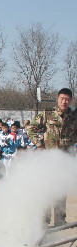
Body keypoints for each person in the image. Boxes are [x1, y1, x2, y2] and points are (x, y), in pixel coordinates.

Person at [26, 88, 77, 226]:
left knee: (61, 190)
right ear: (58, 99)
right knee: (47, 189)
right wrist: (40, 144)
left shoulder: (74, 116)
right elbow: (30, 128)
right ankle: (44, 220)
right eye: (62, 99)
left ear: (71, 100)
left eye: (67, 99)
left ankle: (60, 221)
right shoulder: (47, 114)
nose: (64, 102)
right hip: (49, 159)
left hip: (66, 160)